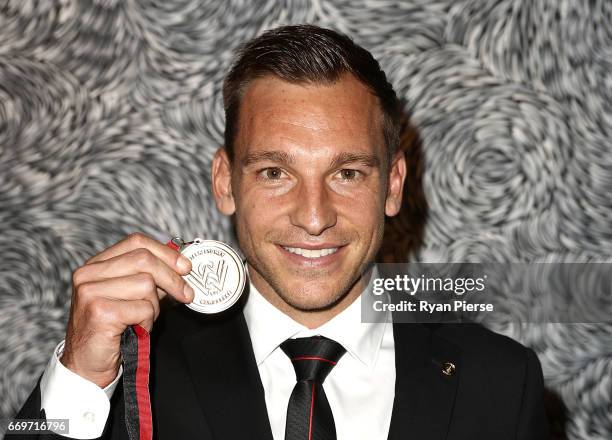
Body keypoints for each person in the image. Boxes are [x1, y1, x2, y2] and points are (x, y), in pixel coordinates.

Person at [14, 25, 549, 440]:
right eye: (275, 172)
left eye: (347, 173)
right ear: (225, 182)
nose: (314, 217)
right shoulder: (136, 370)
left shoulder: (500, 380)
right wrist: (77, 377)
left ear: (392, 185)